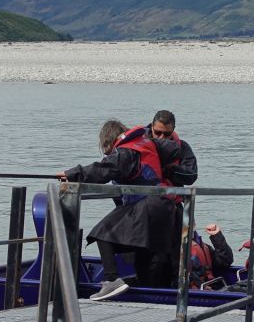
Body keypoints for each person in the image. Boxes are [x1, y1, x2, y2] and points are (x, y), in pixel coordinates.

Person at [59, 112, 198, 301]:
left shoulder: (130, 149)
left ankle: (111, 279)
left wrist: (73, 174)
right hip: (161, 208)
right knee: (147, 259)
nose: (162, 137)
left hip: (155, 206)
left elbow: (105, 169)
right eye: (158, 133)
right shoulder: (146, 143)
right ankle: (152, 299)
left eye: (166, 134)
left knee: (103, 232)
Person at [189, 223, 234, 289]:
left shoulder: (203, 246)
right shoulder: (174, 249)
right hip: (195, 291)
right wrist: (202, 286)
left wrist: (217, 237)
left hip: (212, 285)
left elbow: (225, 262)